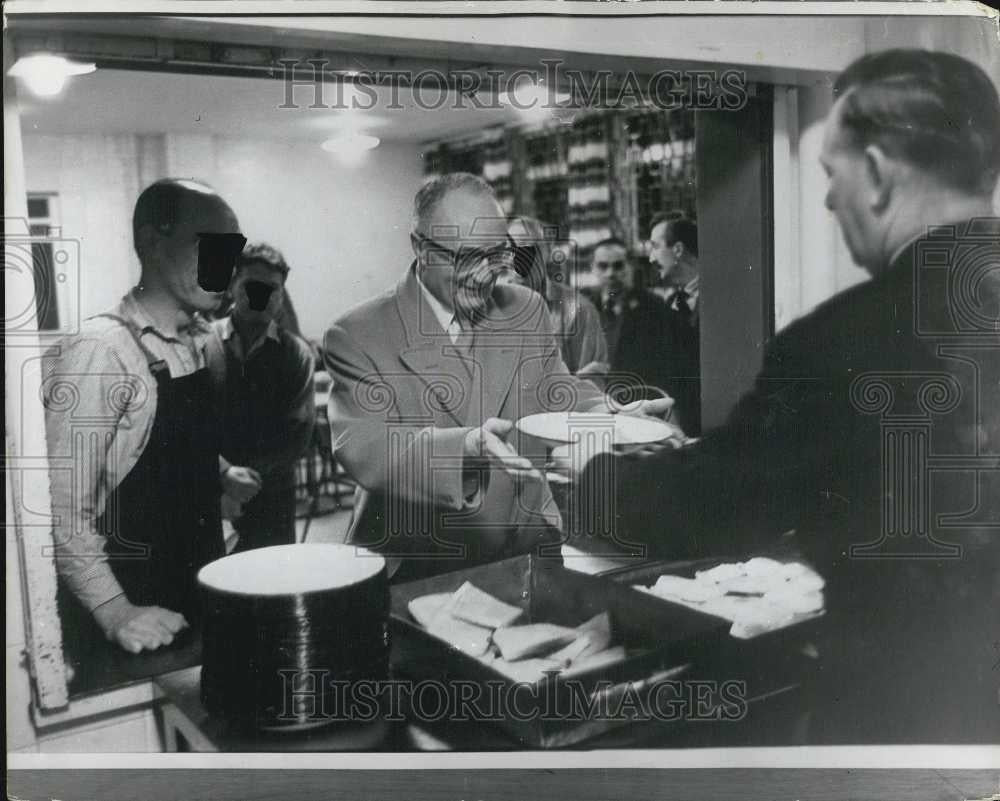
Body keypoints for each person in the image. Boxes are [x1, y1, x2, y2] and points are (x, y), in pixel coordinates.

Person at [571, 49, 1000, 743]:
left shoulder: (841, 342)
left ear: (880, 176)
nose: (829, 200)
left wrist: (590, 480)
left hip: (910, 728)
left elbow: (712, 505)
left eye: (832, 175)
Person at [323, 173, 669, 582]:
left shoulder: (525, 308)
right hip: (421, 561)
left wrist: (614, 420)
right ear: (419, 246)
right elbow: (371, 451)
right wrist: (467, 445)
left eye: (496, 254)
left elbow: (557, 391)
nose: (485, 273)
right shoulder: (358, 333)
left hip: (525, 545)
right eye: (465, 256)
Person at [43, 179, 260, 655]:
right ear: (150, 242)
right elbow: (58, 511)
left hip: (201, 590)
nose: (225, 269)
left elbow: (158, 444)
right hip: (132, 616)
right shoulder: (101, 352)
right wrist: (115, 611)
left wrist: (221, 471)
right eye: (210, 248)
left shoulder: (205, 340)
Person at [208, 243, 316, 552]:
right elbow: (183, 424)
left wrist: (242, 485)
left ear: (282, 297)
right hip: (207, 494)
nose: (262, 296)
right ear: (232, 287)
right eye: (251, 286)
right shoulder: (199, 344)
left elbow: (296, 436)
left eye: (273, 289)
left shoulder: (296, 354)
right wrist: (223, 475)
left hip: (272, 499)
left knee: (273, 586)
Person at [506, 216, 609, 378]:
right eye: (508, 251)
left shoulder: (578, 309)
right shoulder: (488, 307)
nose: (516, 261)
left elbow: (593, 379)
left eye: (526, 250)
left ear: (547, 252)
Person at [580, 238, 676, 408]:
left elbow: (666, 364)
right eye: (603, 266)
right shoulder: (583, 308)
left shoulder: (653, 307)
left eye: (618, 266)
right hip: (595, 406)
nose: (610, 273)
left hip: (640, 404)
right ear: (592, 268)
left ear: (630, 266)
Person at [647, 213, 702, 433]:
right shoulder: (670, 304)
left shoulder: (724, 300)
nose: (651, 258)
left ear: (678, 250)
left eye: (655, 247)